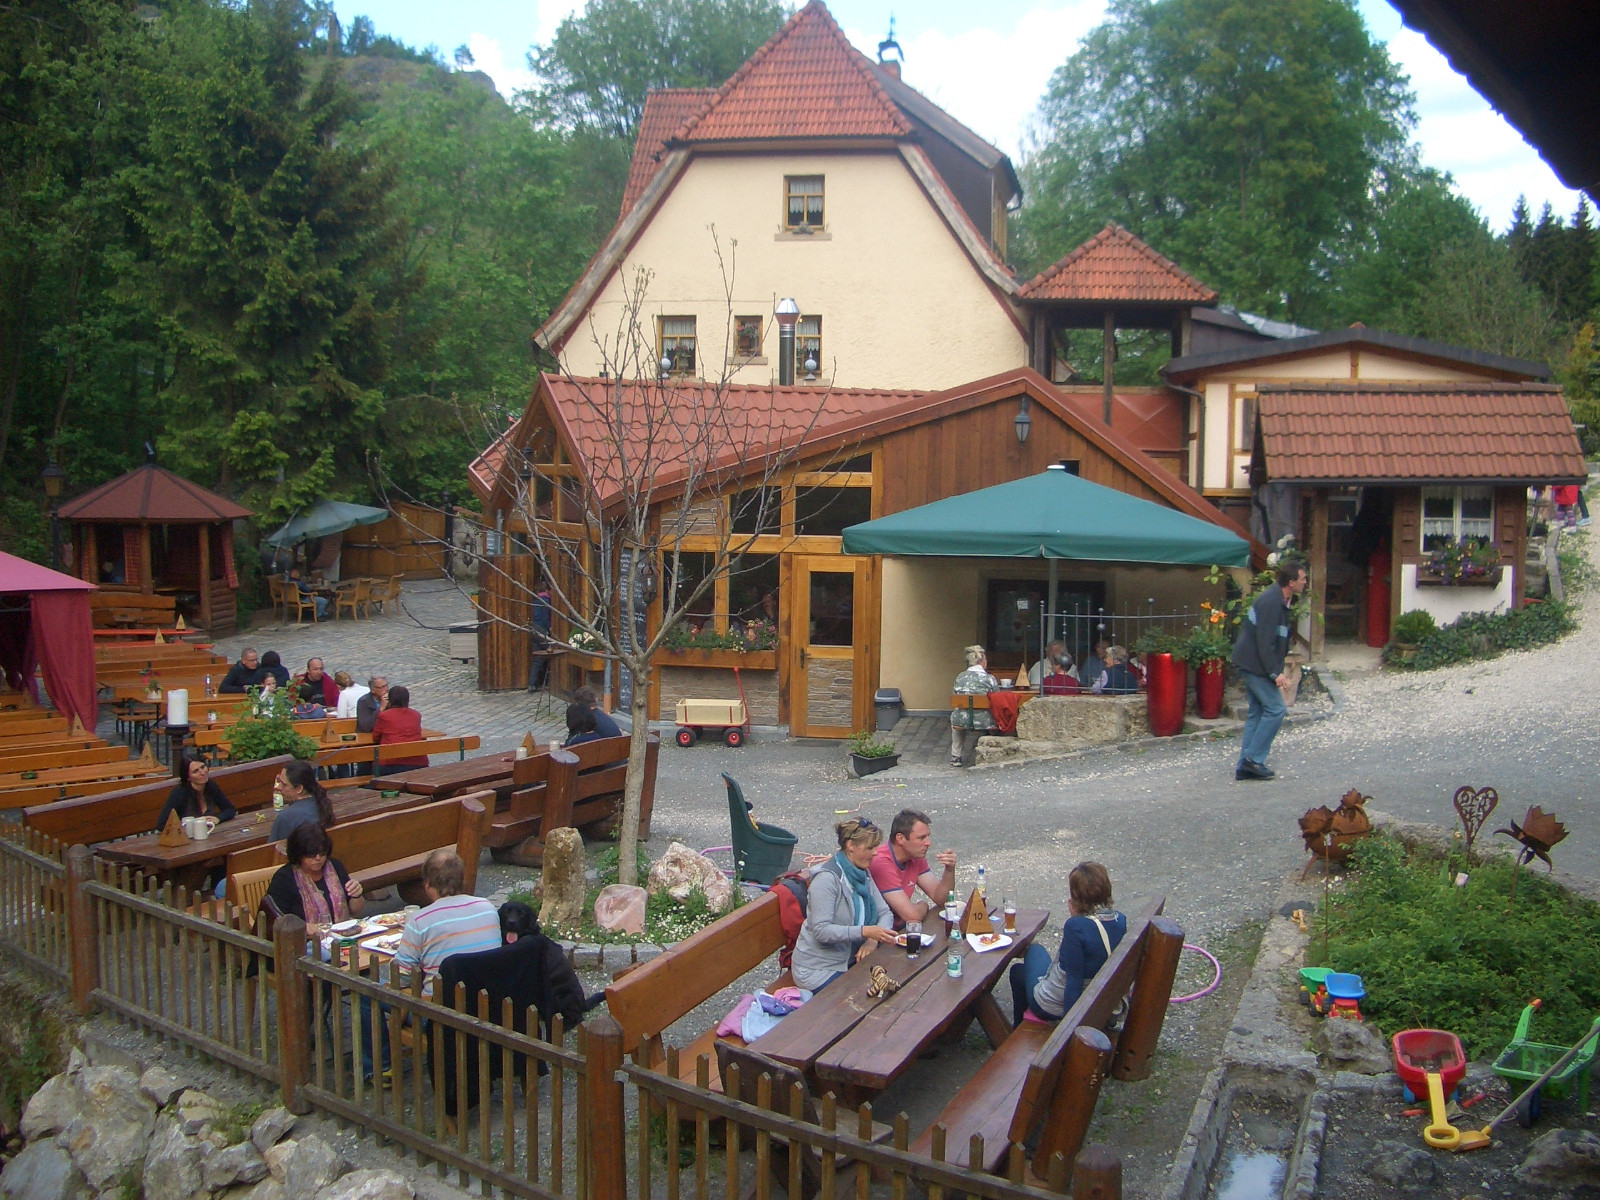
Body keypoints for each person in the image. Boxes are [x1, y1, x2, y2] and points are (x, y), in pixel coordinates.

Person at [363, 850, 500, 1079]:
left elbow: (401, 979)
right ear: (461, 880)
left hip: (439, 1013)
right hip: (486, 1005)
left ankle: (380, 1069)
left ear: (427, 884)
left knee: (367, 993)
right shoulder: (488, 908)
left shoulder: (420, 921)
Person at [1009, 862, 1125, 1025]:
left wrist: (1069, 1028)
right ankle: (1018, 1030)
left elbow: (1074, 981)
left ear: (1076, 897)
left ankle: (1017, 1031)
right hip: (1097, 995)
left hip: (1052, 1005)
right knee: (1018, 973)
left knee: (1034, 950)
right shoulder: (1120, 920)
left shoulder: (1076, 927)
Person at [790, 818, 898, 992]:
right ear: (850, 846)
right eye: (870, 848)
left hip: (850, 959)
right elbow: (821, 931)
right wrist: (865, 931)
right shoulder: (827, 879)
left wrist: (872, 940)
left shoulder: (862, 873)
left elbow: (885, 912)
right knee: (869, 996)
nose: (875, 853)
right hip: (819, 970)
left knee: (895, 979)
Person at [1231, 558, 1308, 781]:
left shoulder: (1280, 599)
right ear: (1291, 582)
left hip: (1252, 663)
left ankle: (1246, 763)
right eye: (1303, 579)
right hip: (1254, 665)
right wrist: (1276, 674)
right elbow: (1265, 643)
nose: (1305, 582)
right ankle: (1252, 761)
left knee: (1257, 712)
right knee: (1276, 709)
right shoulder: (1271, 602)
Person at [265, 822, 365, 931]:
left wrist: (356, 895)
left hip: (341, 935)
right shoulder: (285, 878)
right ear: (299, 853)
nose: (318, 858)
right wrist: (307, 928)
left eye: (322, 853)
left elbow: (357, 911)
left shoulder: (335, 866)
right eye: (311, 854)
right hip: (303, 942)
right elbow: (275, 920)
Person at [868, 808, 957, 930]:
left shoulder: (915, 856)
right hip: (879, 936)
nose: (928, 843)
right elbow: (912, 916)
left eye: (927, 837)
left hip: (900, 930)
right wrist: (923, 905)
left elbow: (941, 899)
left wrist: (949, 870)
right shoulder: (881, 863)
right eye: (921, 838)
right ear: (900, 839)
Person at [154, 755, 237, 831]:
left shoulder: (211, 786)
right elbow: (162, 825)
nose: (202, 772)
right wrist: (190, 825)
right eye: (195, 771)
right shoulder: (180, 793)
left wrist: (218, 818)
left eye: (203, 767)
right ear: (188, 778)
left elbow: (230, 809)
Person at [949, 645, 999, 767]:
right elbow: (996, 697)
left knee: (956, 718)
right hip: (984, 720)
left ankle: (956, 755)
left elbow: (956, 694)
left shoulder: (960, 677)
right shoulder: (989, 678)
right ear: (982, 661)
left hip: (962, 719)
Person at [269, 760, 336, 841]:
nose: (278, 787)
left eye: (284, 784)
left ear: (299, 789)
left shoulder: (285, 818)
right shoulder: (322, 805)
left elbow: (270, 851)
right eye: (279, 781)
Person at [372, 684, 426, 775]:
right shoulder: (416, 715)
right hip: (417, 762)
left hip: (390, 763)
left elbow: (376, 737)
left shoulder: (384, 716)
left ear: (390, 700)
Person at [527, 587, 553, 692]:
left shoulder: (536, 600)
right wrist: (550, 628)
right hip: (542, 631)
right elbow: (545, 618)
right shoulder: (545, 601)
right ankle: (548, 682)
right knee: (551, 654)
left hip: (534, 630)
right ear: (548, 590)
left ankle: (532, 684)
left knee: (538, 658)